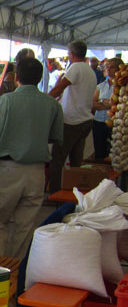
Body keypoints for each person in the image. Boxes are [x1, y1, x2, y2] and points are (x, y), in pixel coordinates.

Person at [0, 57, 63, 259]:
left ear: (15, 78)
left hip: (7, 170)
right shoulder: (52, 104)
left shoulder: (6, 101)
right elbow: (55, 138)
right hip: (37, 172)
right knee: (26, 226)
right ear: (40, 78)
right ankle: (16, 271)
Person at [47, 40, 98, 193]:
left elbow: (58, 88)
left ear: (72, 54)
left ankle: (55, 193)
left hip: (71, 121)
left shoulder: (75, 68)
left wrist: (44, 100)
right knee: (76, 162)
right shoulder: (90, 71)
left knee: (57, 160)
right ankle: (74, 192)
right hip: (85, 120)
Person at [92, 57, 124, 161]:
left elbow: (121, 103)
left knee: (115, 150)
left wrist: (103, 102)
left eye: (112, 67)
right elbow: (93, 103)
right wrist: (109, 104)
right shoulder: (101, 86)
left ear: (118, 69)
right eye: (107, 67)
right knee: (99, 149)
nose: (108, 69)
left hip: (116, 122)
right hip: (99, 121)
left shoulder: (122, 86)